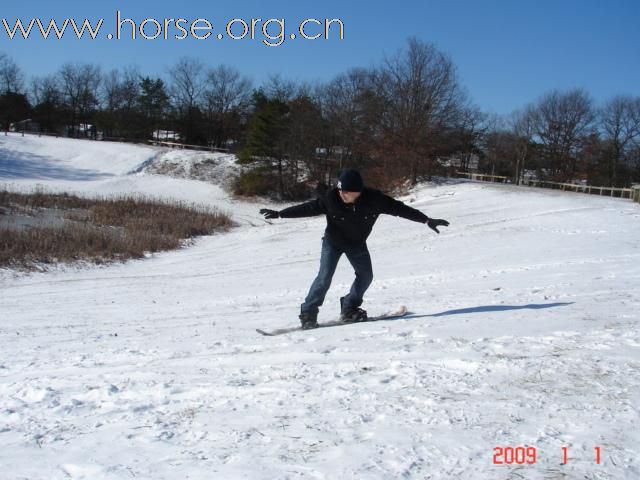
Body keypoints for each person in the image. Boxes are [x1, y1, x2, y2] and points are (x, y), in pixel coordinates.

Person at [259, 169, 449, 329]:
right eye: (340, 190)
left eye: (346, 192)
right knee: (324, 276)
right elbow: (308, 208)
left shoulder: (375, 199)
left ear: (358, 191)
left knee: (366, 276)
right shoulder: (331, 198)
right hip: (333, 242)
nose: (342, 194)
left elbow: (401, 209)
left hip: (357, 243)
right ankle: (308, 313)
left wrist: (426, 220)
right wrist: (281, 214)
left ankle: (349, 308)